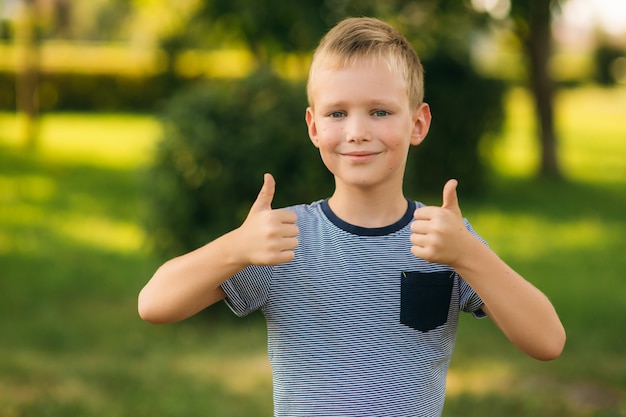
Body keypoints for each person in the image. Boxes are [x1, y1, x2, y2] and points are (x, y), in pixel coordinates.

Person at [138, 17, 565, 417]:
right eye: (337, 113)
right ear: (314, 127)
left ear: (418, 124)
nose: (357, 131)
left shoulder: (445, 239)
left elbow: (548, 341)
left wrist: (468, 254)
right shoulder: (282, 239)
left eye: (379, 111)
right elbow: (154, 304)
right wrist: (236, 246)